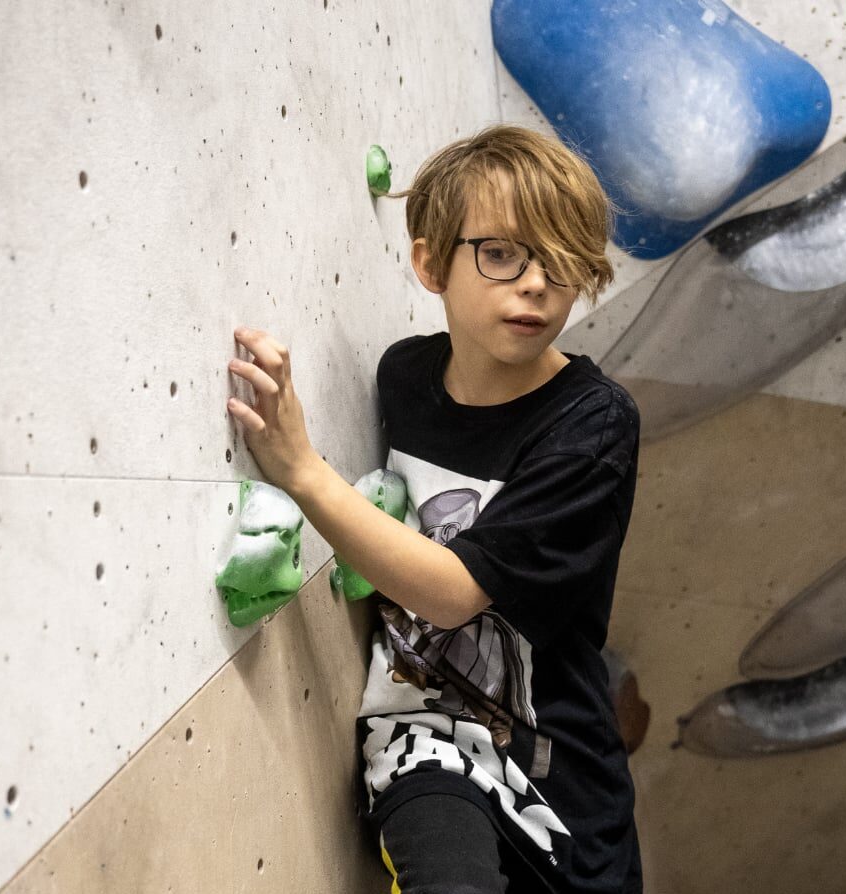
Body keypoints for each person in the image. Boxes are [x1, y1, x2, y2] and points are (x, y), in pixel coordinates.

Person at [226, 123, 643, 894]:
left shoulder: (591, 424)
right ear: (430, 263)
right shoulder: (405, 378)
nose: (536, 282)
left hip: (560, 784)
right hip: (421, 740)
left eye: (561, 258)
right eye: (501, 253)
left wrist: (301, 470)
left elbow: (453, 592)